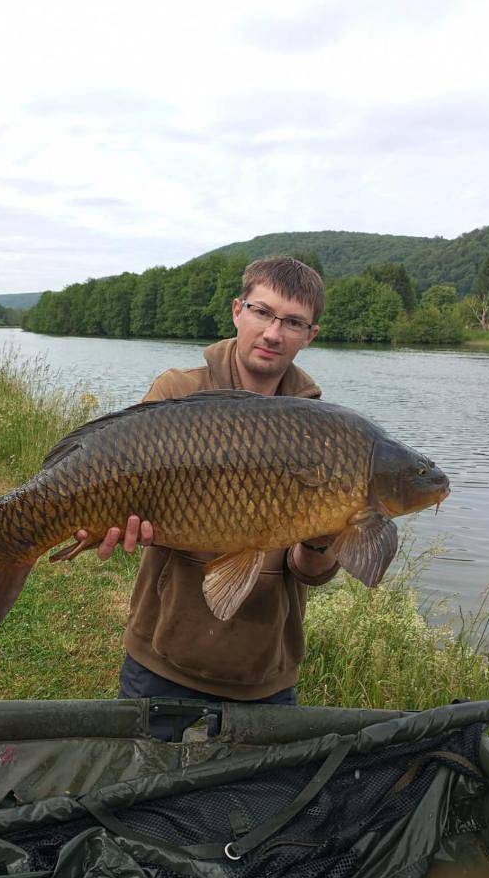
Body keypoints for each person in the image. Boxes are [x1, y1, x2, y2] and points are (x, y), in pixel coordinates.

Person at [75, 256, 340, 737]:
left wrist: (322, 539)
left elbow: (310, 573)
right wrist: (107, 521)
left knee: (262, 806)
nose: (273, 333)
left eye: (293, 322)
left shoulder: (320, 431)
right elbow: (120, 479)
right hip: (161, 658)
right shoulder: (177, 392)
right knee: (143, 799)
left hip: (265, 674)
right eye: (262, 312)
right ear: (238, 310)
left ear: (310, 334)